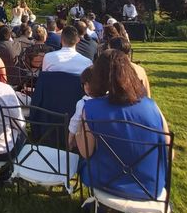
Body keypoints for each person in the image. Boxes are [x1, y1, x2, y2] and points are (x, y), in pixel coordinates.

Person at [76, 49, 170, 200]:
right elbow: (168, 151)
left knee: (81, 162)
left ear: (98, 76)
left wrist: (78, 127)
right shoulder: (152, 107)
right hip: (150, 185)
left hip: (106, 182)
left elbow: (85, 152)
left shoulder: (91, 108)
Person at [68, 66, 95, 150]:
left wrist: (70, 140)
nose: (86, 86)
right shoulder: (110, 100)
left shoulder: (83, 103)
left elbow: (75, 122)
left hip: (88, 144)